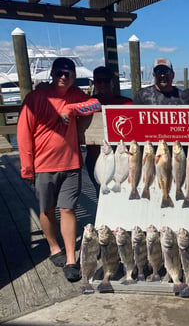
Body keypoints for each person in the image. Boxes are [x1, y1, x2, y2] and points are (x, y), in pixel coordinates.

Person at [17, 57, 102, 282]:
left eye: (68, 73)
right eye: (59, 72)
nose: (63, 76)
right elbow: (23, 134)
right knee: (47, 210)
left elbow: (96, 104)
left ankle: (71, 259)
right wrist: (27, 168)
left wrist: (72, 108)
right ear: (52, 74)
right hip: (43, 166)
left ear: (74, 77)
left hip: (72, 163)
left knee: (68, 209)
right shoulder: (35, 98)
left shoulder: (75, 94)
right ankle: (55, 248)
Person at [85, 66, 132, 195]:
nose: (103, 84)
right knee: (100, 194)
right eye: (99, 81)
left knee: (123, 194)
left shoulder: (127, 103)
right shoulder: (88, 103)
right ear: (94, 83)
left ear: (113, 82)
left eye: (106, 80)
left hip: (121, 158)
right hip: (96, 158)